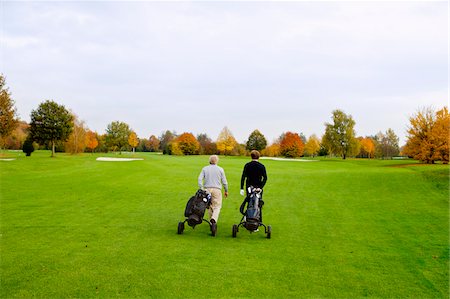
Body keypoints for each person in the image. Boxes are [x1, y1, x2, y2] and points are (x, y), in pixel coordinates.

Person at [198, 155, 228, 224]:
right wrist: (226, 190)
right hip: (216, 190)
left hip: (207, 189)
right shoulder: (220, 169)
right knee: (217, 206)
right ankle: (213, 219)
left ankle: (212, 224)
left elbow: (200, 179)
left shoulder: (205, 168)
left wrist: (202, 188)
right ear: (217, 161)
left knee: (209, 206)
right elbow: (224, 182)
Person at [240, 150, 267, 224]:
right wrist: (261, 187)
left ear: (251, 156)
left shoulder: (247, 165)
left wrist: (241, 188)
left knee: (249, 203)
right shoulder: (261, 166)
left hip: (249, 187)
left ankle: (247, 220)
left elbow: (243, 177)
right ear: (259, 157)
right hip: (258, 188)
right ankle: (258, 221)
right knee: (258, 204)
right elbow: (265, 178)